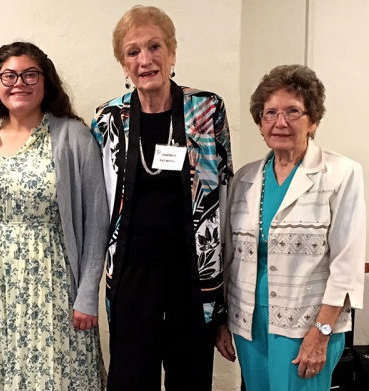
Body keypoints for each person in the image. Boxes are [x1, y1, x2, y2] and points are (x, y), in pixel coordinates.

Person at [90, 6, 234, 390]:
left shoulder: (206, 108)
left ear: (172, 53)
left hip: (193, 271)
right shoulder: (108, 118)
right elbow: (101, 200)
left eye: (155, 46)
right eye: (133, 52)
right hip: (132, 271)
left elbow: (223, 189)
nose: (145, 59)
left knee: (191, 376)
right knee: (130, 378)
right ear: (123, 64)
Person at [0, 41, 108, 390]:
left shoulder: (72, 135)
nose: (19, 83)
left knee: (57, 375)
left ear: (46, 81)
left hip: (53, 284)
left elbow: (97, 220)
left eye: (30, 74)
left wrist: (87, 293)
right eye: (8, 75)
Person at [217, 64, 366, 391]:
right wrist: (223, 321)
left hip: (307, 327)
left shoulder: (341, 174)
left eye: (293, 112)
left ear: (313, 121)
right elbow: (228, 256)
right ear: (260, 124)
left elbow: (346, 264)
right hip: (250, 325)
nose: (280, 122)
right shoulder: (244, 178)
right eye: (270, 113)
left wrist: (321, 333)